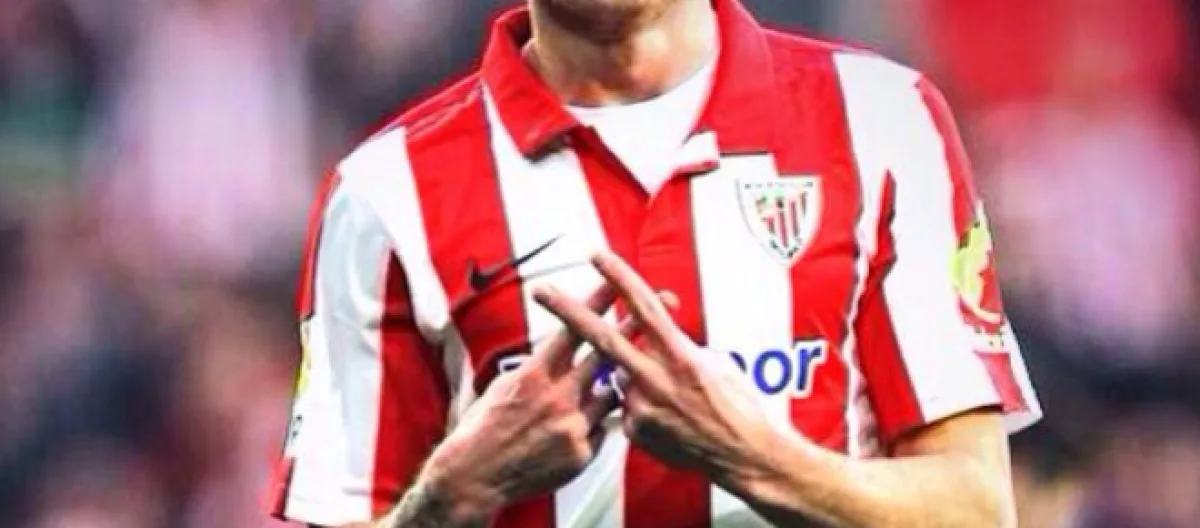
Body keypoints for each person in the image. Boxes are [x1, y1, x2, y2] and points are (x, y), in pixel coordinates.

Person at [266, 0, 1042, 526]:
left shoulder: (880, 119)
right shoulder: (385, 193)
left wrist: (758, 459)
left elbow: (975, 510)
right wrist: (446, 500)